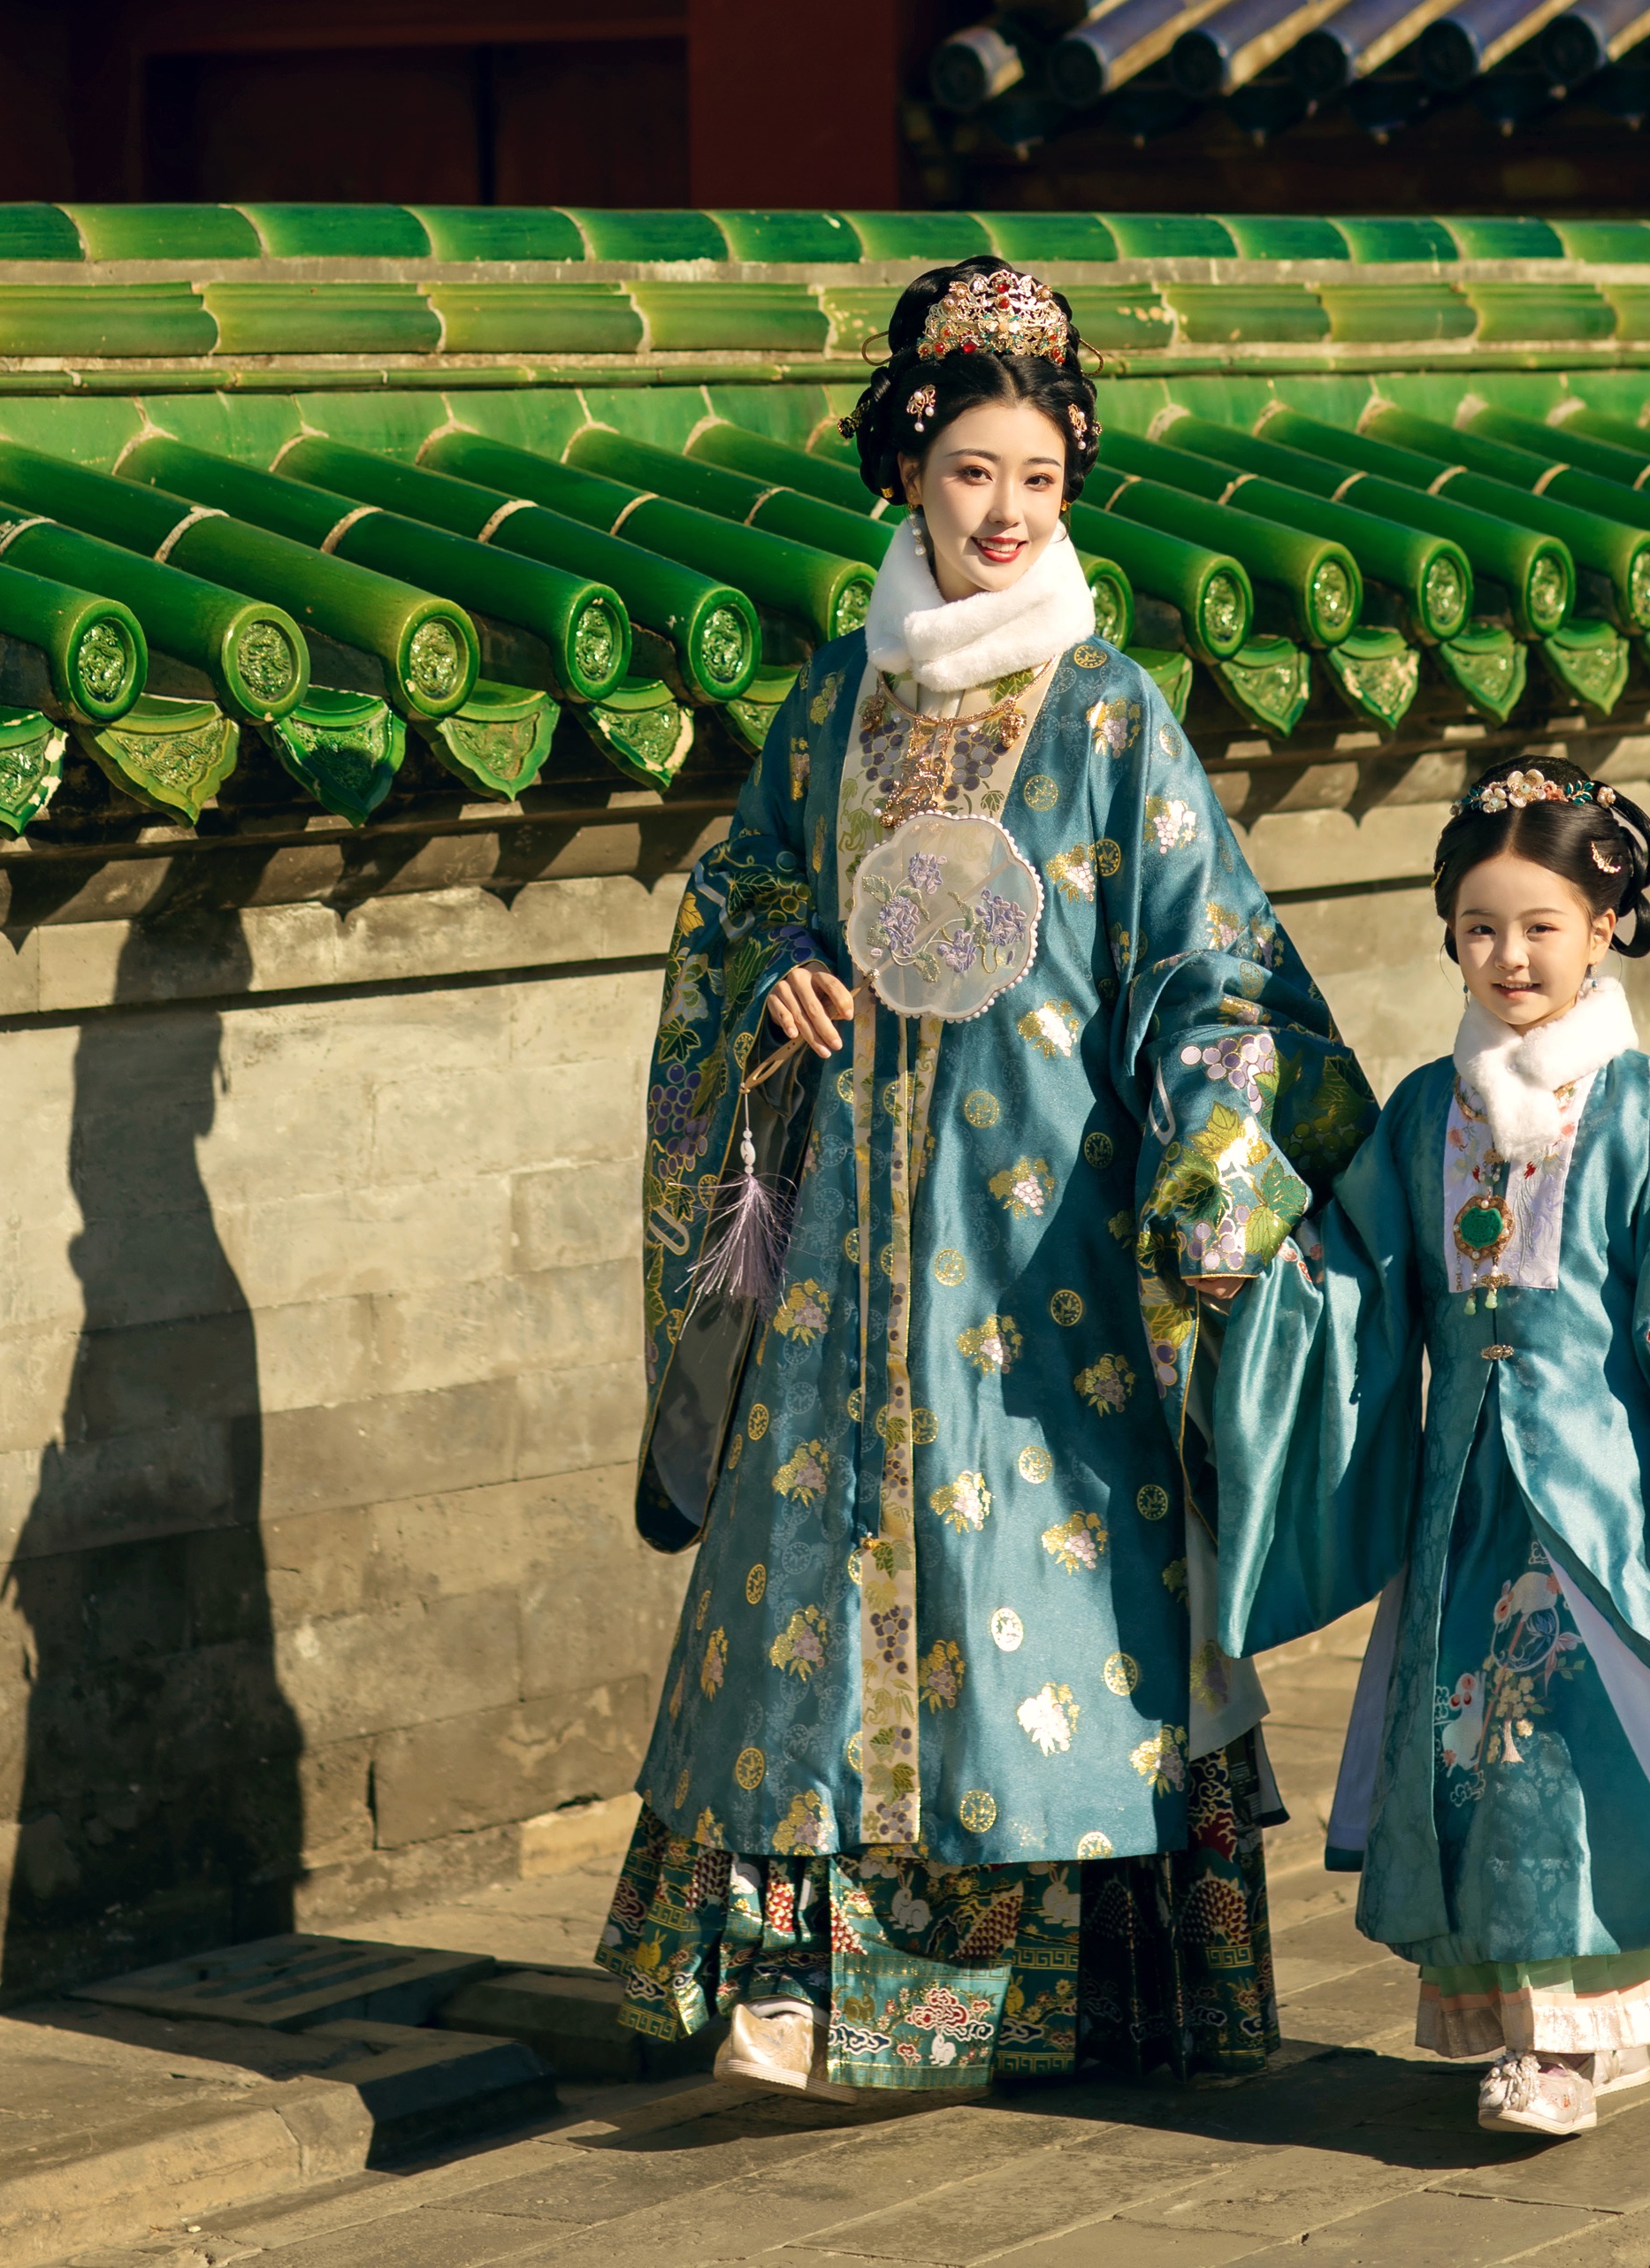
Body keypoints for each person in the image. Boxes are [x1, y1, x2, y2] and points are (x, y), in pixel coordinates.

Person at [596, 256, 1377, 2098]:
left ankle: (1036, 1994)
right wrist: (774, 973)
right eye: (970, 475)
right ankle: (793, 1989)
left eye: (1038, 477)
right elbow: (734, 905)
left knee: (1038, 1605)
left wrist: (1204, 1157)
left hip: (1053, 1270)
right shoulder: (832, 706)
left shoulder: (1111, 716)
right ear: (906, 474)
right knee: (807, 1600)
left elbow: (1220, 973)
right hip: (846, 1259)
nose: (1006, 513)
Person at [1211, 753, 1650, 2141]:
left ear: (1606, 927)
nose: (1510, 955)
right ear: (1447, 931)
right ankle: (1544, 2026)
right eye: (1481, 926)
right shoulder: (1425, 1115)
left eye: (1542, 925)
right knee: (1481, 1762)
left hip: (1616, 1508)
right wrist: (1251, 1277)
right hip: (1471, 1503)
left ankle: (1562, 2039)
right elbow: (1357, 1280)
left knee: (1576, 1757)